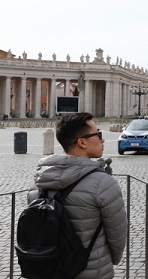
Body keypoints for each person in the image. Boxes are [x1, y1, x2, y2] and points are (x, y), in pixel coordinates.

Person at [27, 112, 127, 278]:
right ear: (82, 142)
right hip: (91, 270)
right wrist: (112, 260)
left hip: (47, 269)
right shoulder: (103, 183)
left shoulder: (38, 183)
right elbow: (117, 233)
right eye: (98, 134)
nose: (102, 140)